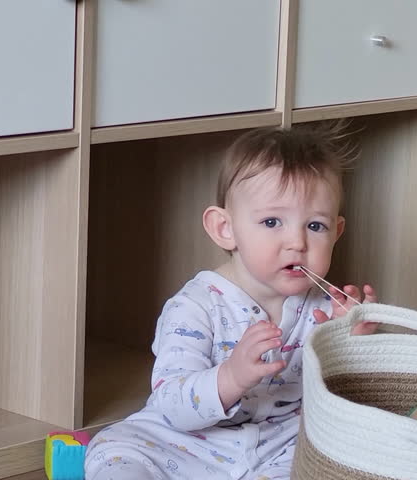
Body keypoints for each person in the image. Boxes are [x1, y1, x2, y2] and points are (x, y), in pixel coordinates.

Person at [85, 124, 377, 480]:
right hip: (185, 442)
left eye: (315, 226)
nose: (297, 242)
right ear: (226, 229)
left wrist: (353, 343)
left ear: (336, 233)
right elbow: (173, 405)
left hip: (281, 443)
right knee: (115, 450)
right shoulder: (195, 307)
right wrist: (231, 377)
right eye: (272, 221)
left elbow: (338, 400)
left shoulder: (326, 308)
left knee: (348, 454)